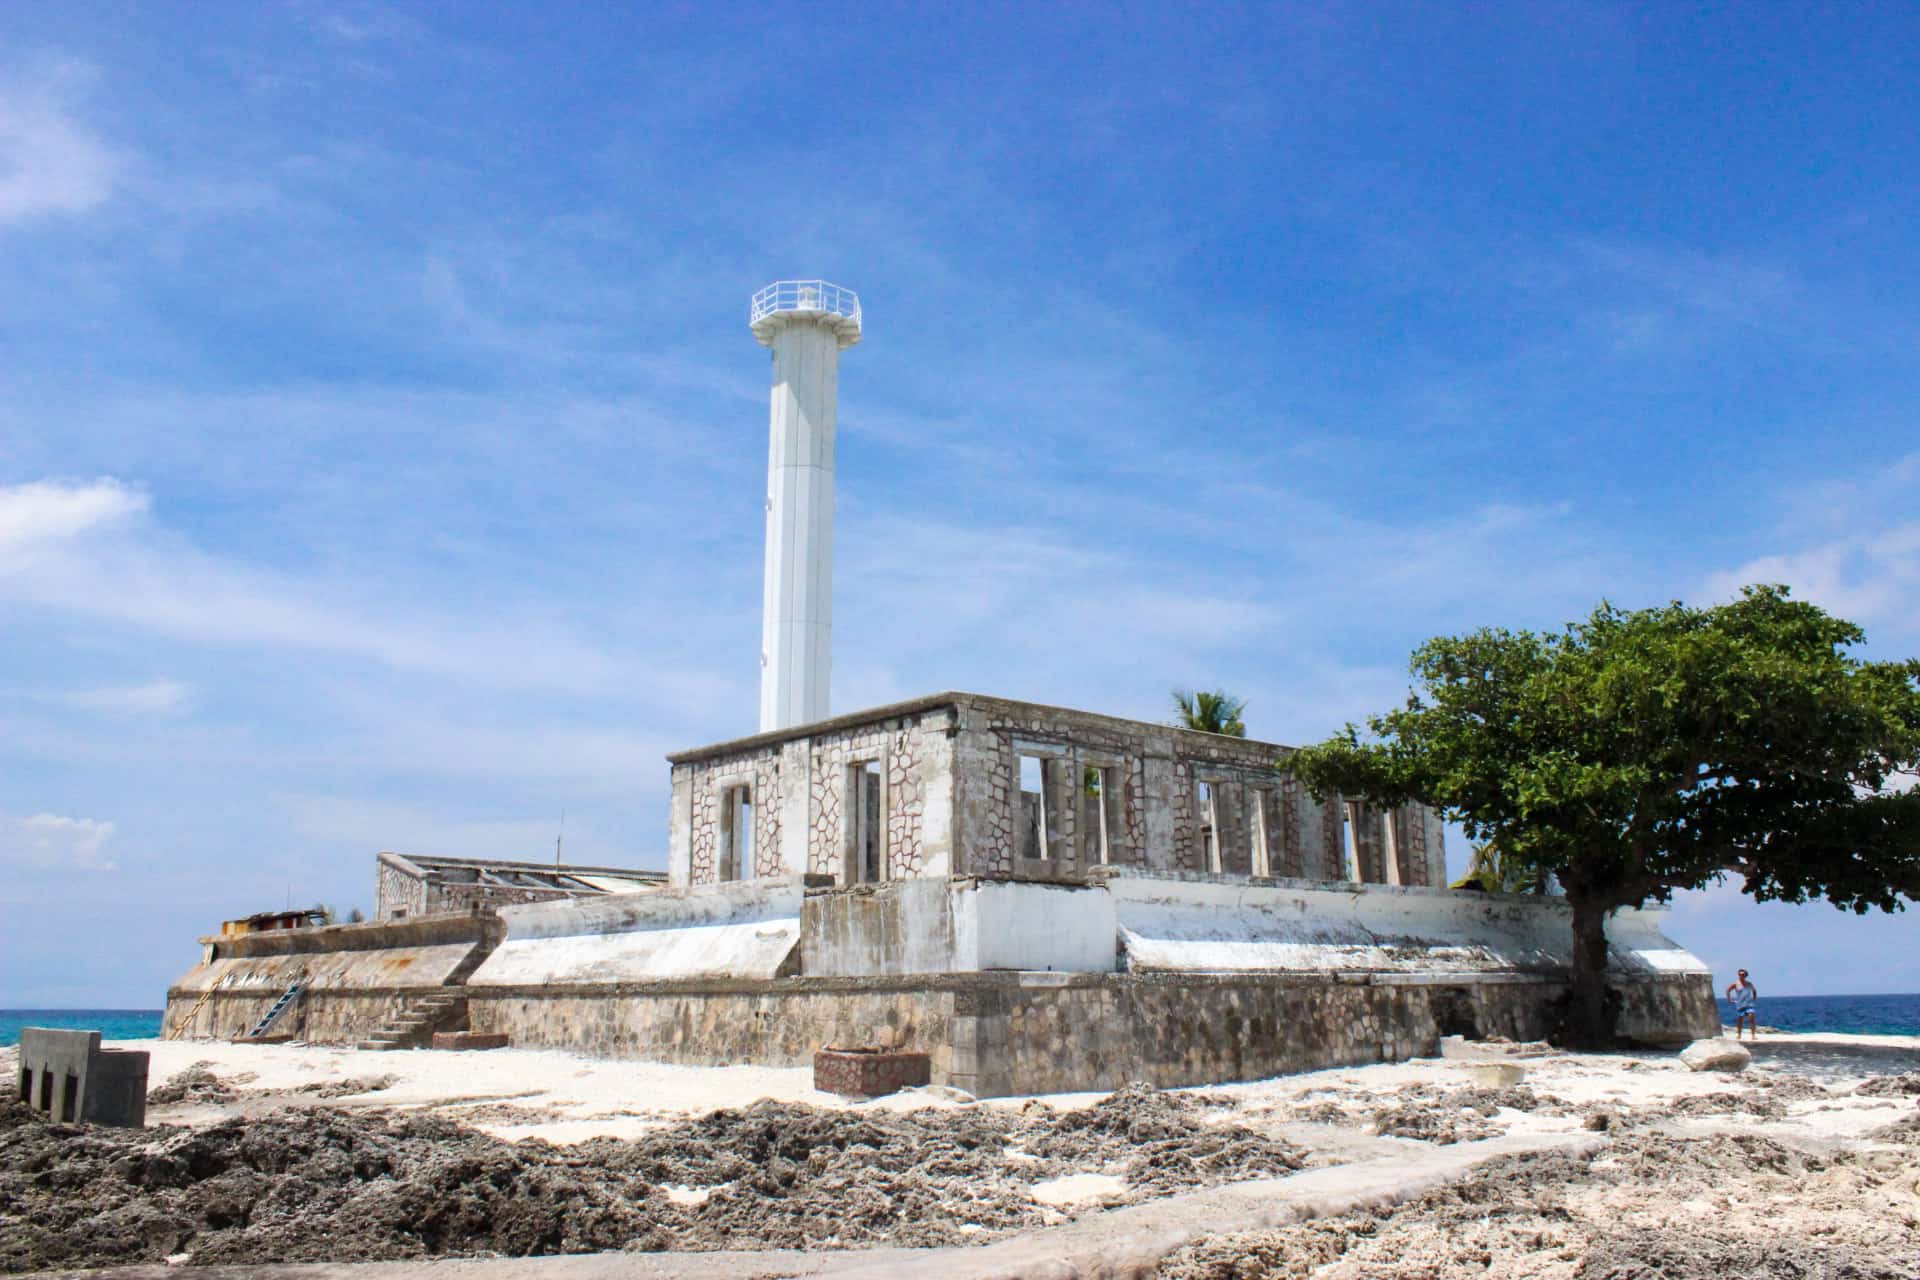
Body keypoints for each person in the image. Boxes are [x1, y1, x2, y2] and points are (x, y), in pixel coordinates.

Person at [1725, 969, 1759, 1041]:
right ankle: (1739, 1034)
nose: (1741, 976)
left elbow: (1754, 990)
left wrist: (1754, 999)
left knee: (1751, 1017)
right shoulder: (1735, 984)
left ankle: (1753, 1035)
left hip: (1749, 1004)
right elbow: (1728, 990)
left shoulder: (1749, 984)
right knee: (1740, 1019)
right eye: (1740, 974)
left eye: (1743, 974)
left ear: (1746, 975)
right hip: (1740, 1004)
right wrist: (1729, 999)